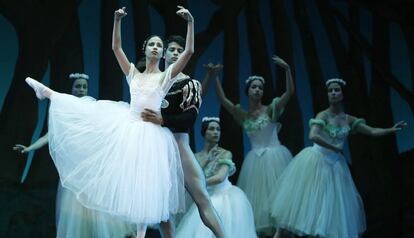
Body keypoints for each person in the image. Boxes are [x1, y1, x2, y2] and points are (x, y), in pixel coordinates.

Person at [24, 5, 194, 238]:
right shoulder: (134, 73)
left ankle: (141, 234)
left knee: (144, 185)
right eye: (152, 44)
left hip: (151, 136)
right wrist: (116, 20)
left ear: (162, 53)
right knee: (89, 111)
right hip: (129, 127)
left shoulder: (165, 76)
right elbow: (116, 47)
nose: (156, 47)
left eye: (159, 45)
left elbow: (188, 53)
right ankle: (48, 93)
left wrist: (190, 23)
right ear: (145, 49)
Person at [269, 78, 407, 238]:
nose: (333, 93)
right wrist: (333, 147)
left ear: (342, 94)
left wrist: (390, 129)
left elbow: (371, 131)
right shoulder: (324, 115)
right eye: (330, 91)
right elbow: (312, 135)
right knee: (299, 208)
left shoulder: (348, 119)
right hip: (315, 162)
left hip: (335, 167)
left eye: (336, 90)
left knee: (330, 212)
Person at [14, 73, 133, 238]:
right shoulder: (66, 110)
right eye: (78, 86)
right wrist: (30, 148)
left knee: (98, 209)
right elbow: (50, 135)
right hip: (76, 169)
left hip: (93, 167)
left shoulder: (92, 107)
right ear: (71, 88)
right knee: (77, 215)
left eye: (84, 87)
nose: (81, 89)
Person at [141, 35, 226, 238]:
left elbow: (188, 119)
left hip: (180, 149)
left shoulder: (190, 84)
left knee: (202, 199)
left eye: (180, 50)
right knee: (162, 210)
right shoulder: (153, 84)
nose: (176, 53)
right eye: (171, 49)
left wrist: (163, 120)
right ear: (164, 54)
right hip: (157, 152)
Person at [214, 55, 294, 236]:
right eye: (254, 87)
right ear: (247, 90)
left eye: (260, 87)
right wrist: (214, 76)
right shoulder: (243, 114)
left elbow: (289, 93)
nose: (257, 90)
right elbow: (223, 99)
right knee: (259, 202)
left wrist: (287, 69)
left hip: (275, 157)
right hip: (255, 161)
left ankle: (280, 232)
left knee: (278, 198)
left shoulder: (271, 109)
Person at [176, 117, 257, 238]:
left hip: (225, 196)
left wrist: (197, 183)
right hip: (206, 196)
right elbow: (192, 175)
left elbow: (219, 177)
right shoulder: (196, 156)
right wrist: (207, 160)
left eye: (218, 129)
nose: (216, 132)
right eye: (212, 129)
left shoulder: (225, 153)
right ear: (204, 132)